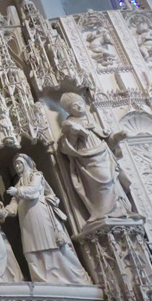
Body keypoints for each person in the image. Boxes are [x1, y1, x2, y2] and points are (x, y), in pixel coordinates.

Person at [4, 154, 92, 285]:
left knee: (50, 243)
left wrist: (17, 191)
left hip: (40, 213)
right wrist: (4, 212)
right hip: (26, 219)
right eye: (15, 164)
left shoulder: (36, 176)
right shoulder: (19, 182)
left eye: (19, 163)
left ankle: (72, 277)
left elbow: (33, 191)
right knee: (31, 248)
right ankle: (41, 278)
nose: (17, 166)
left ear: (27, 163)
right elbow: (14, 203)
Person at [59, 92, 132, 222]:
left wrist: (117, 137)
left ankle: (120, 209)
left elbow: (108, 142)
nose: (79, 107)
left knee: (114, 182)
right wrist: (74, 133)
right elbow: (68, 148)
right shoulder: (69, 124)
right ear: (69, 110)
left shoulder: (93, 121)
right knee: (102, 181)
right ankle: (103, 212)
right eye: (75, 106)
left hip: (104, 155)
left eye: (80, 104)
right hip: (87, 159)